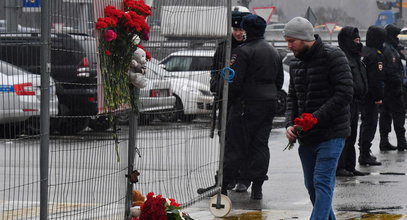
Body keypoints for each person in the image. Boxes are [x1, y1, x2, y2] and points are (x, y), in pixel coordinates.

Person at [283, 17, 353, 219]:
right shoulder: (296, 63)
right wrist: (290, 124)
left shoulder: (333, 56)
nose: (288, 46)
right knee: (312, 186)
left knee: (322, 182)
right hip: (307, 137)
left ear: (305, 38)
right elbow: (292, 98)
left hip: (332, 133)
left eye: (291, 41)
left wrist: (315, 118)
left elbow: (345, 92)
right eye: (286, 41)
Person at [222, 14, 284, 200]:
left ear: (247, 30)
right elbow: (279, 81)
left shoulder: (243, 51)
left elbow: (235, 82)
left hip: (245, 104)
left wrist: (230, 99)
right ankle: (257, 186)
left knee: (235, 146)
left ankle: (224, 185)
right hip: (268, 103)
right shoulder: (274, 52)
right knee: (260, 145)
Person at [198, 6, 251, 195]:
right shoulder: (223, 48)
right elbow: (214, 71)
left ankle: (244, 177)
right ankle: (225, 178)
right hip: (225, 103)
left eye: (241, 29)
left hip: (243, 103)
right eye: (235, 29)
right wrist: (216, 84)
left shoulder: (250, 47)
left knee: (244, 141)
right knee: (226, 142)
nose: (238, 33)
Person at [336, 26, 368, 177]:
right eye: (355, 40)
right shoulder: (342, 58)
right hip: (345, 103)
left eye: (359, 40)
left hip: (355, 102)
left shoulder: (356, 57)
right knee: (345, 136)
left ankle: (350, 166)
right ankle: (340, 167)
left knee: (352, 135)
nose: (359, 43)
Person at [358, 26, 387, 166]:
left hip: (361, 93)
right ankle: (364, 153)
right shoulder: (376, 55)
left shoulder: (362, 52)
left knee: (364, 123)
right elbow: (376, 79)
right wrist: (378, 96)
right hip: (370, 96)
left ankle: (363, 152)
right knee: (370, 124)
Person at [380, 24, 407, 152]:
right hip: (393, 90)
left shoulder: (389, 48)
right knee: (398, 115)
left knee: (386, 116)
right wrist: (398, 84)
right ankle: (401, 141)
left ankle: (385, 141)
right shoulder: (389, 51)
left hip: (387, 90)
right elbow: (391, 71)